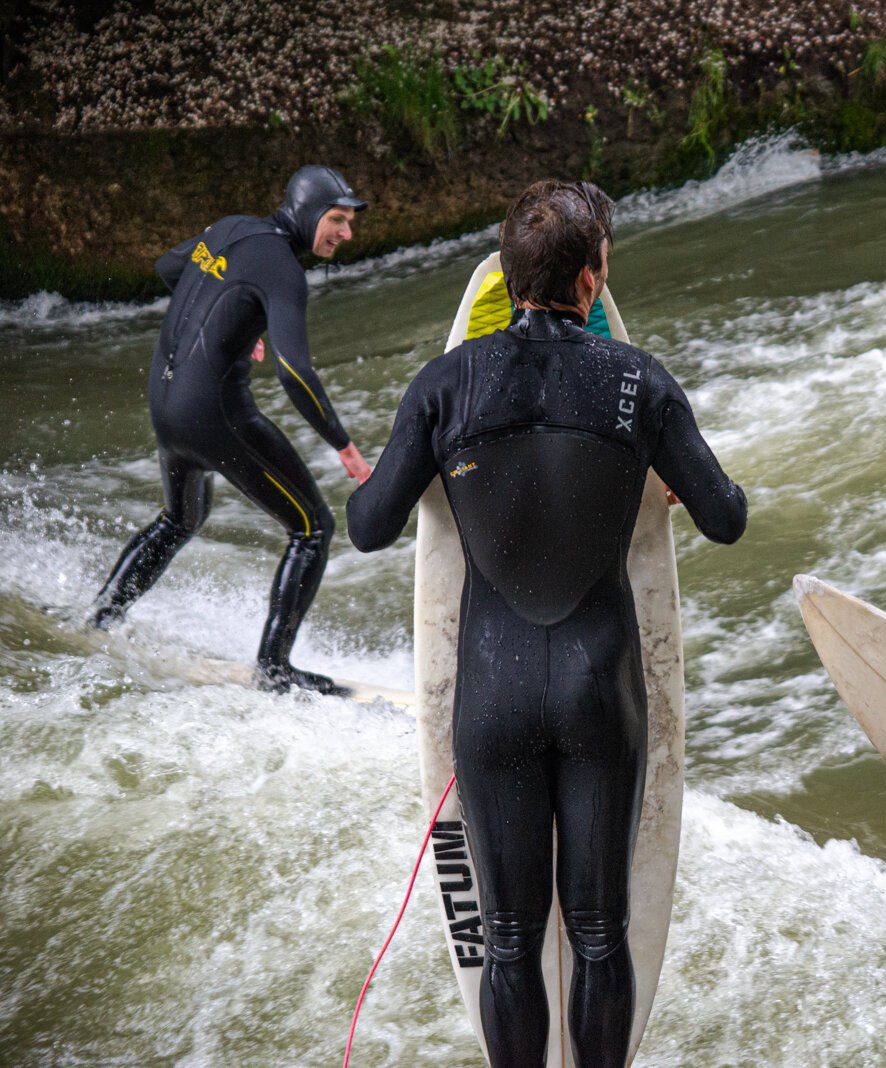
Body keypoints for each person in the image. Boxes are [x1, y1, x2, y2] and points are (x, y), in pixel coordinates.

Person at [345, 179, 747, 1067]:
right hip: (602, 689)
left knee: (511, 937)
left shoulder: (447, 385)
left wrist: (431, 470)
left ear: (511, 276)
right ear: (592, 279)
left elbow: (369, 527)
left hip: (492, 693)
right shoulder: (637, 383)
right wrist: (668, 472)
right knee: (601, 934)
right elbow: (725, 516)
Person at [89, 164, 374, 696]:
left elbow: (172, 267)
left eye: (350, 221)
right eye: (337, 219)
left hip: (166, 403)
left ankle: (101, 618)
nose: (346, 233)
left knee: (180, 518)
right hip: (214, 415)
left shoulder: (229, 229)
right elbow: (296, 374)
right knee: (313, 529)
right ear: (308, 211)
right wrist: (345, 446)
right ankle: (274, 669)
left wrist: (236, 326)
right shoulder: (284, 271)